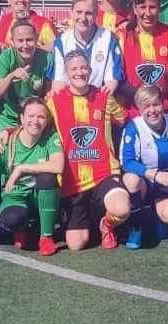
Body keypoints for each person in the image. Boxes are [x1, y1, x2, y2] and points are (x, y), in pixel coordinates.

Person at [48, 50, 131, 250]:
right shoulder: (53, 101)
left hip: (104, 173)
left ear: (90, 71)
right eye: (74, 69)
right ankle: (90, 217)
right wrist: (8, 132)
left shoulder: (104, 98)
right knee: (76, 244)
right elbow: (36, 124)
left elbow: (124, 119)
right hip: (73, 180)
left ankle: (107, 225)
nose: (79, 72)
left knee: (121, 209)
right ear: (65, 73)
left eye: (84, 68)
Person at [0, 97, 64, 255]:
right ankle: (22, 228)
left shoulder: (51, 138)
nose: (35, 121)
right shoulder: (6, 142)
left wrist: (22, 168)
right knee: (12, 219)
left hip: (40, 196)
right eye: (31, 116)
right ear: (22, 118)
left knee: (48, 178)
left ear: (47, 121)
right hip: (15, 196)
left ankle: (46, 237)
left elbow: (58, 165)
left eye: (41, 117)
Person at [119, 85, 168, 248]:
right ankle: (135, 224)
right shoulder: (134, 127)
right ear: (139, 108)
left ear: (163, 104)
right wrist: (154, 174)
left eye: (156, 104)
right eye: (146, 106)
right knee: (130, 179)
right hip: (145, 181)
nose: (152, 111)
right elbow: (127, 162)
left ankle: (158, 220)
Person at [119, 0, 168, 114]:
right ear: (135, 8)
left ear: (159, 9)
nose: (148, 13)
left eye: (152, 7)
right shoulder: (122, 35)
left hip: (164, 109)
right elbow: (118, 79)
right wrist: (141, 95)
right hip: (133, 110)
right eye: (143, 7)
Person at [0, 20, 52, 147]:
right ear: (13, 42)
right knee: (6, 150)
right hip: (10, 118)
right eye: (20, 40)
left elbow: (49, 94)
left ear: (36, 39)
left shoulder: (47, 58)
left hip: (34, 118)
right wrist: (10, 76)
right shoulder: (6, 57)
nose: (25, 45)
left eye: (29, 39)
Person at [50, 0, 124, 93]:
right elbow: (58, 81)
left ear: (96, 14)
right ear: (71, 12)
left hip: (98, 97)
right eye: (79, 12)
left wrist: (102, 98)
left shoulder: (108, 38)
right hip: (71, 98)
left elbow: (112, 79)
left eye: (88, 13)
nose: (83, 18)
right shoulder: (61, 42)